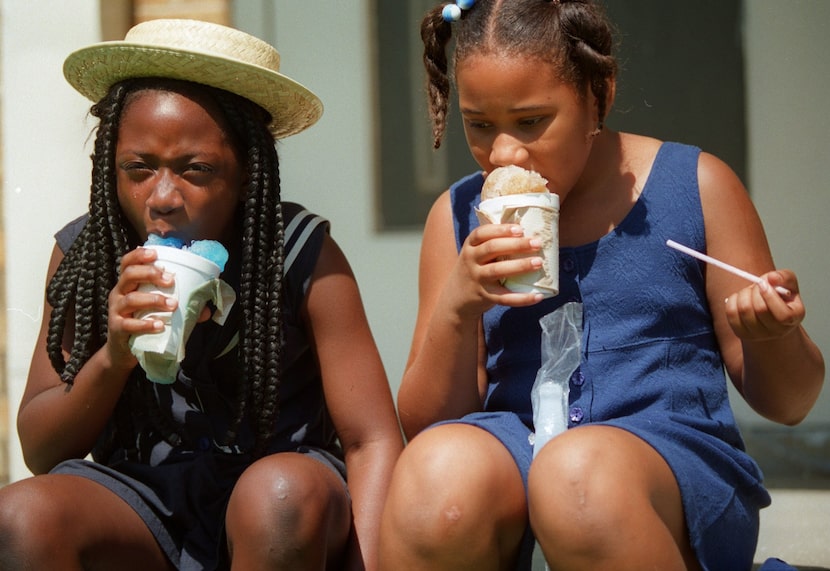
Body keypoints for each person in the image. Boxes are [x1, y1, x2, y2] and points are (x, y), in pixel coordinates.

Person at [378, 1, 824, 570]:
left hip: (669, 465)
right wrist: (458, 306)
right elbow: (426, 424)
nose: (505, 152)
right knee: (433, 477)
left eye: (532, 121)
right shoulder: (459, 216)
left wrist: (771, 334)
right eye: (480, 125)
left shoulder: (696, 188)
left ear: (600, 95)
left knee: (575, 477)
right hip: (517, 452)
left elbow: (791, 403)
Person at [0, 18, 402, 571]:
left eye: (196, 170)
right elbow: (42, 452)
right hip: (142, 499)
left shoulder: (300, 253)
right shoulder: (86, 257)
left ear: (247, 175)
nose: (162, 197)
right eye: (137, 169)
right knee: (20, 518)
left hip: (282, 501)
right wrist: (114, 355)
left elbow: (371, 441)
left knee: (275, 497)